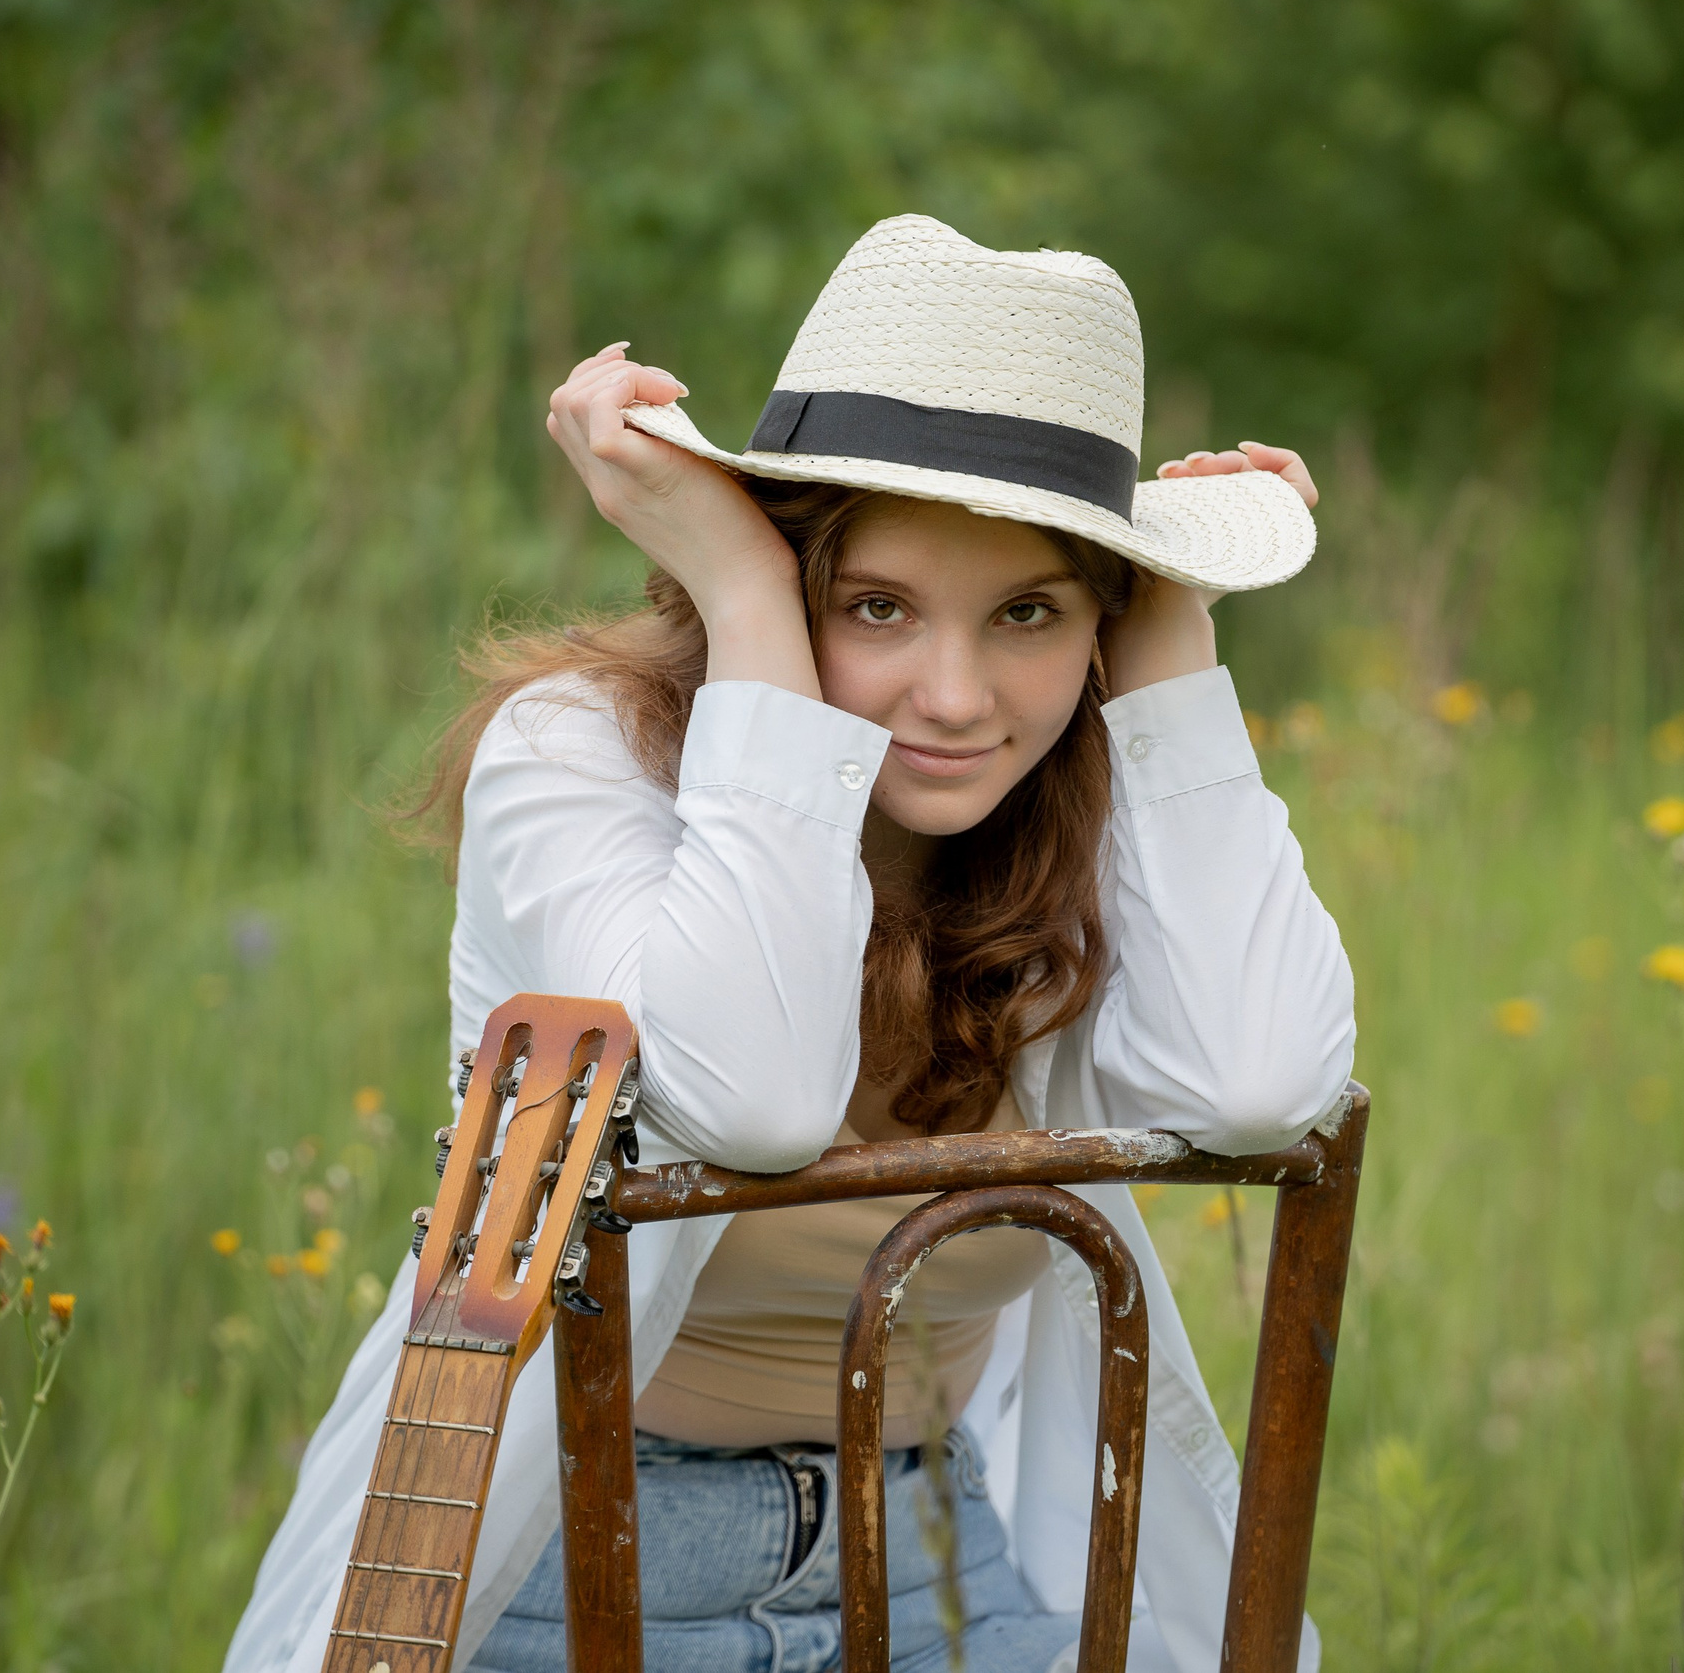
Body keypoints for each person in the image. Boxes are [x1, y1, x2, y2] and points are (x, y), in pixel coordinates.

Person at [225, 215, 1357, 1673]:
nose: (953, 696)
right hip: (591, 1568)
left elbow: (1260, 1086)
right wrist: (749, 600)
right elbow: (747, 1096)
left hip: (938, 1554)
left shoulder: (1072, 824)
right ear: (776, 564)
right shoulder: (578, 760)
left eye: (1029, 612)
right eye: (875, 605)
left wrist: (1174, 652)